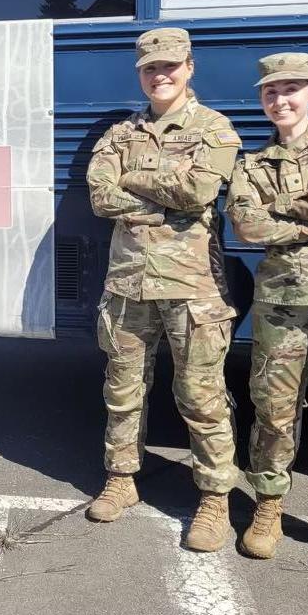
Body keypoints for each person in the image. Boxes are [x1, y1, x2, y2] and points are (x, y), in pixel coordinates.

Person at [86, 27, 241, 552]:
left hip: (194, 287)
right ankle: (122, 478)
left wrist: (132, 179)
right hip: (129, 285)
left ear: (189, 67)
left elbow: (198, 191)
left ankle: (215, 499)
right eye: (151, 68)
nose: (161, 75)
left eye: (170, 66)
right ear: (140, 73)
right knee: (123, 391)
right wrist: (161, 201)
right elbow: (100, 197)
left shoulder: (215, 129)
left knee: (201, 396)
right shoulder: (119, 133)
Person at [226, 53, 308, 574]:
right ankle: (269, 506)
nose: (281, 100)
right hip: (280, 303)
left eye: (292, 89)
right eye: (271, 92)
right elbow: (247, 227)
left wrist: (283, 209)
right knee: (273, 411)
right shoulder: (250, 164)